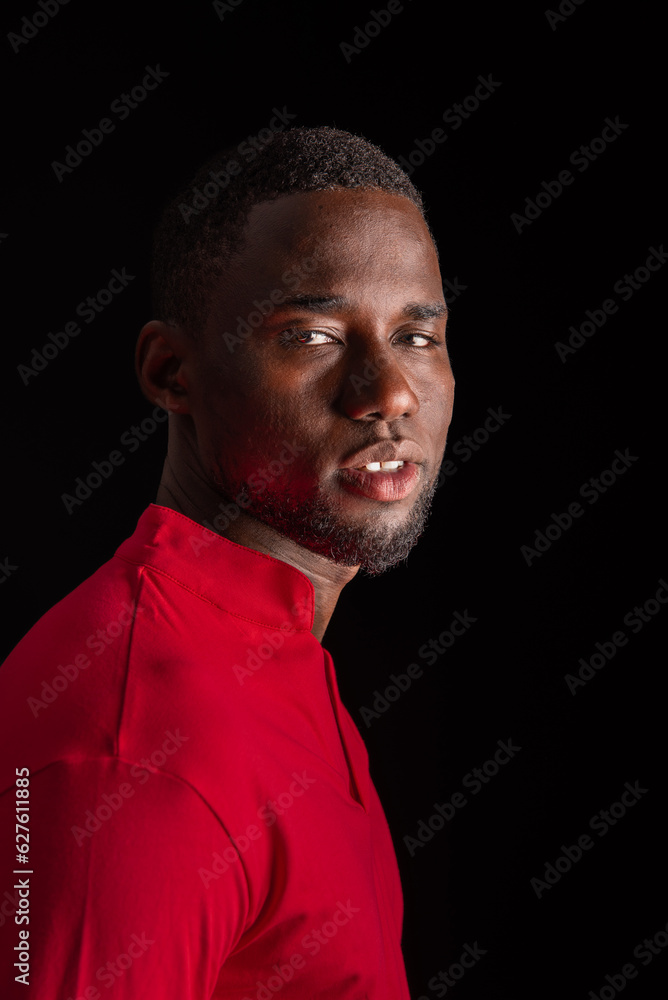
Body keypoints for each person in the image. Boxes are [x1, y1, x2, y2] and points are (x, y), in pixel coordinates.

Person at [0, 126, 455, 998]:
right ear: (173, 371)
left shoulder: (271, 661)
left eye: (417, 337)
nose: (390, 391)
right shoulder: (138, 747)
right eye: (315, 336)